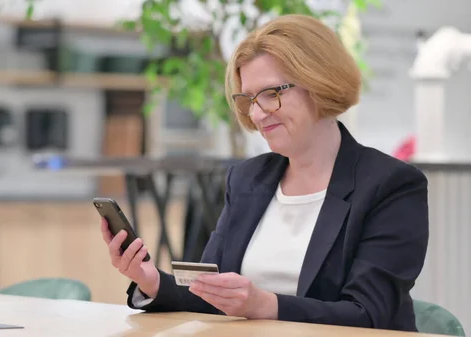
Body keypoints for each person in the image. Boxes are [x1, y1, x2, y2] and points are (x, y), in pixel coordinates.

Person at [100, 14, 429, 331]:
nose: (256, 114)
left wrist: (264, 305)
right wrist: (151, 280)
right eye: (248, 99)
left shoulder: (391, 185)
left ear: (320, 83)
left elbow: (368, 315)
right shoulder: (246, 179)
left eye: (272, 94)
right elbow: (213, 293)